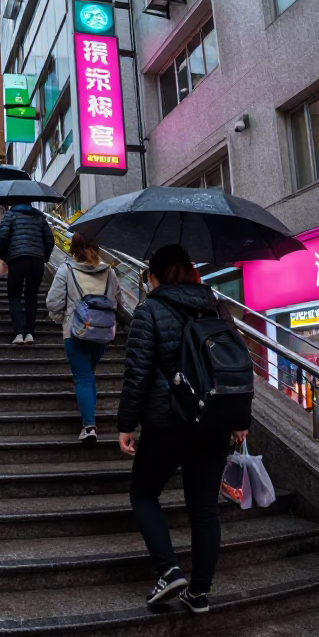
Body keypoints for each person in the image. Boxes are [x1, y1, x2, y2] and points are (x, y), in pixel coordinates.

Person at [117, 244, 250, 615]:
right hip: (214, 422)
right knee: (204, 510)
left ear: (154, 276)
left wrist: (126, 425)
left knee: (143, 495)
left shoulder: (149, 310)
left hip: (167, 422)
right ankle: (199, 593)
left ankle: (169, 569)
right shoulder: (216, 306)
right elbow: (236, 364)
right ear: (192, 273)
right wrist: (240, 419)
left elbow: (137, 375)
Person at [46, 233, 119, 444]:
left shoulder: (66, 269)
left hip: (76, 332)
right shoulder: (110, 272)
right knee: (89, 373)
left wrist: (62, 319)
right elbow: (116, 301)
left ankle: (89, 426)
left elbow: (53, 302)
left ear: (73, 248)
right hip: (103, 333)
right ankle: (89, 416)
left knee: (83, 377)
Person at [0, 201, 54, 345]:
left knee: (15, 295)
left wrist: (4, 256)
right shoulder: (40, 217)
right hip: (37, 261)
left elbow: (2, 237)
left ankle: (19, 333)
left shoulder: (10, 215)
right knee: (31, 295)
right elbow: (50, 240)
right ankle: (29, 332)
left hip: (17, 259)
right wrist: (44, 256)